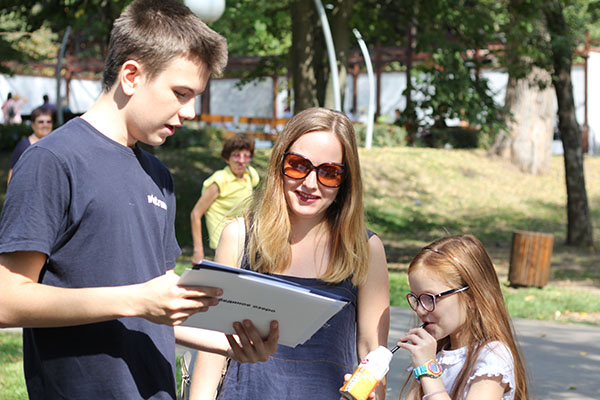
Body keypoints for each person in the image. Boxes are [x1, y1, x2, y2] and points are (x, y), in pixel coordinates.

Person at [0, 1, 277, 399]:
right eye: (181, 93)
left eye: (196, 96)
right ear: (131, 75)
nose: (191, 112)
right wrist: (136, 300)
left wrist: (230, 343)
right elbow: (7, 299)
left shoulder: (159, 176)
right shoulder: (51, 160)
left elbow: (158, 309)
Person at [189, 107, 390, 400]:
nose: (310, 183)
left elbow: (373, 352)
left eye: (329, 172)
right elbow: (213, 347)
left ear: (346, 180)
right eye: (298, 165)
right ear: (279, 163)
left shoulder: (366, 249)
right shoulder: (239, 236)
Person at [396, 235, 529, 400]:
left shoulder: (492, 358)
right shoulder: (435, 353)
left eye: (430, 298)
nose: (420, 310)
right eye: (416, 299)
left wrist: (428, 371)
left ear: (471, 297)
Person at [190, 134, 259, 263]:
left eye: (246, 156)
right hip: (222, 244)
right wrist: (198, 251)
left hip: (243, 242)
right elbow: (195, 214)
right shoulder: (219, 180)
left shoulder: (250, 175)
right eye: (236, 155)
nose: (241, 161)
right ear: (227, 158)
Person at [7, 106, 53, 184]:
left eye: (48, 122)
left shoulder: (56, 144)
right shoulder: (24, 146)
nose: (45, 125)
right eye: (41, 122)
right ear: (33, 124)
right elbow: (12, 174)